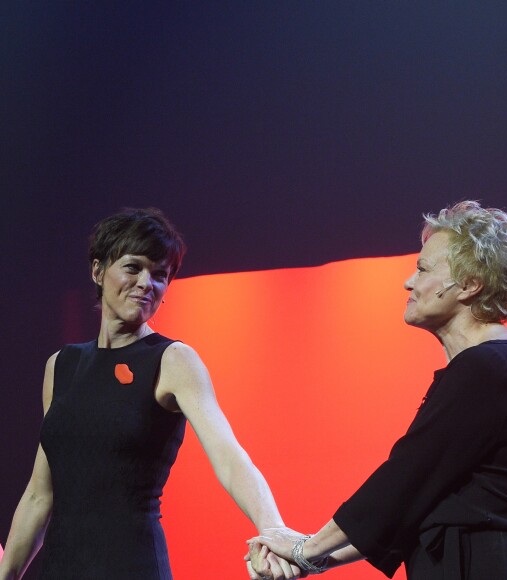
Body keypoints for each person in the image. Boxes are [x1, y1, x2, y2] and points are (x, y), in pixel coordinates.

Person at [249, 201, 507, 579]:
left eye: (422, 268)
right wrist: (315, 559)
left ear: (469, 284)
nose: (408, 282)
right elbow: (417, 499)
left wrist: (305, 549)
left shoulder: (489, 368)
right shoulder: (491, 367)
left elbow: (403, 479)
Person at [0, 208, 300, 580]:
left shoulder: (173, 360)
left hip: (131, 566)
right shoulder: (61, 365)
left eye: (160, 275)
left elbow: (229, 457)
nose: (147, 283)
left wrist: (273, 529)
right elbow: (39, 494)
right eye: (133, 267)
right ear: (97, 271)